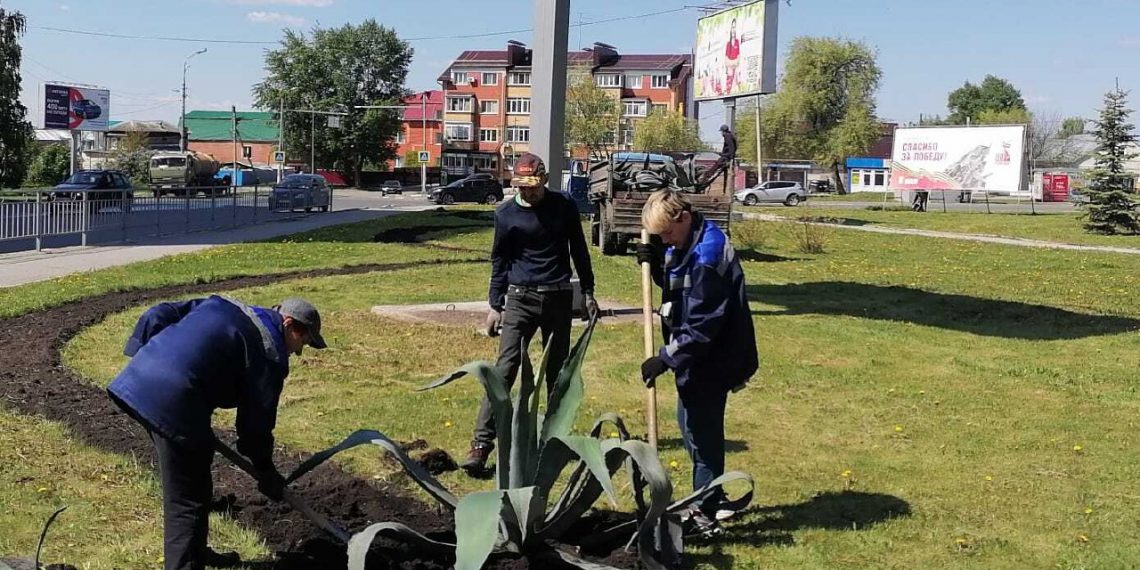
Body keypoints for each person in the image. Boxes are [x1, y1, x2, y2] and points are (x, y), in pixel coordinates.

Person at [107, 296, 328, 570]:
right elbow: (254, 427)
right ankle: (186, 562)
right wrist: (266, 471)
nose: (298, 353)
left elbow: (159, 313)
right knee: (186, 502)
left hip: (138, 382)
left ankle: (195, 554)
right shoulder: (270, 352)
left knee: (194, 484)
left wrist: (149, 356)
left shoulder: (226, 305)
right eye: (302, 343)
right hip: (175, 403)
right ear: (290, 325)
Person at [462, 152, 599, 473]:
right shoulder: (505, 214)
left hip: (558, 299)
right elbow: (500, 261)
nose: (528, 193)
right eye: (522, 187)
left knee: (558, 374)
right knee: (504, 370)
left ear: (545, 180)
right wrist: (495, 305)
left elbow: (579, 251)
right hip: (520, 300)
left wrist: (589, 293)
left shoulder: (563, 207)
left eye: (533, 187)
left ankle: (553, 443)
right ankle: (481, 445)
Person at [635, 190, 758, 537]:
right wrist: (657, 261)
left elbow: (703, 325)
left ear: (683, 217)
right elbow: (680, 292)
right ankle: (713, 493)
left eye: (667, 234)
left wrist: (665, 358)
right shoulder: (689, 239)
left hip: (713, 355)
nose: (665, 240)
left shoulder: (708, 254)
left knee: (702, 434)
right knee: (689, 425)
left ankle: (703, 512)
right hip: (696, 354)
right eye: (659, 237)